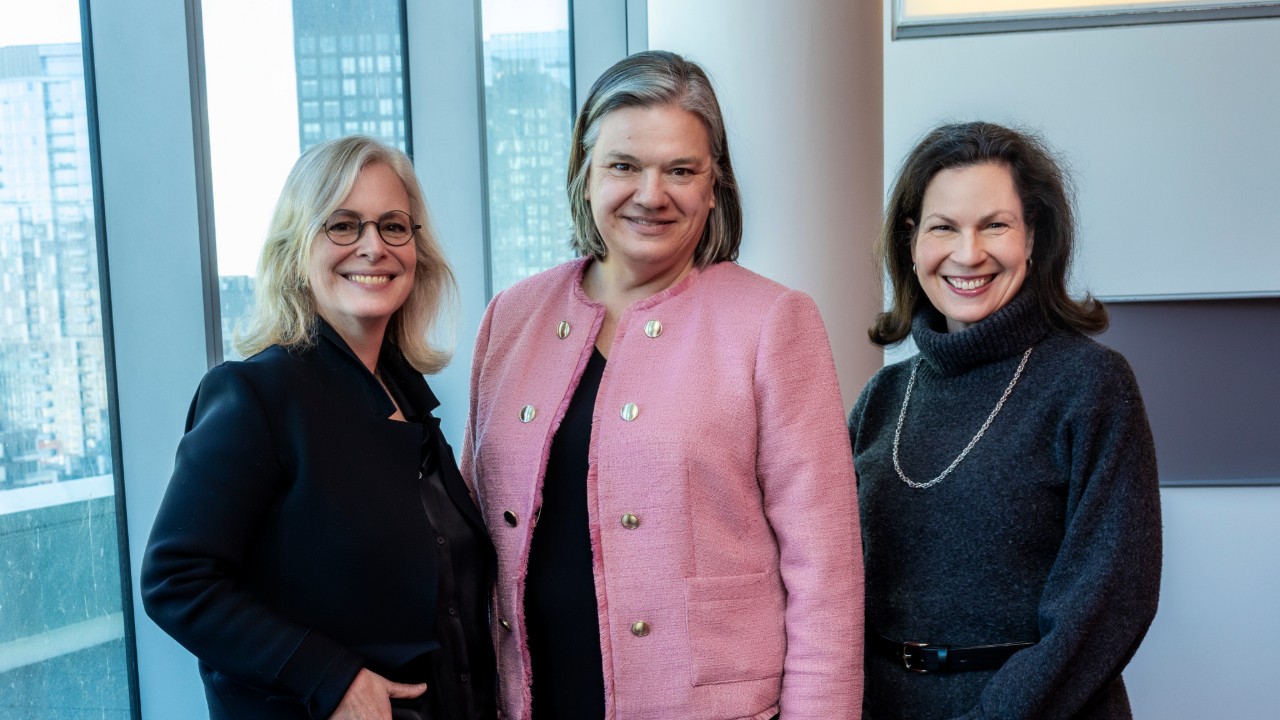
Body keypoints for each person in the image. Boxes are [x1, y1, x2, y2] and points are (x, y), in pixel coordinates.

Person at [462, 50, 863, 719]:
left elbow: (825, 574)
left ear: (714, 186)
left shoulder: (771, 321)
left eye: (681, 170)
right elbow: (471, 530)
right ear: (584, 174)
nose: (652, 194)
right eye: (624, 165)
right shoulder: (511, 318)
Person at [141, 135, 496, 720]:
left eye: (393, 226)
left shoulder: (407, 398)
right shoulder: (258, 394)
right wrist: (332, 677)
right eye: (342, 225)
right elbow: (176, 580)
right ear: (296, 251)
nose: (373, 247)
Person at [848, 121, 1162, 719]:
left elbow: (1109, 602)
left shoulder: (1091, 385)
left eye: (995, 224)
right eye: (944, 227)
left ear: (1033, 238)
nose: (969, 254)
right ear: (912, 243)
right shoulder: (882, 397)